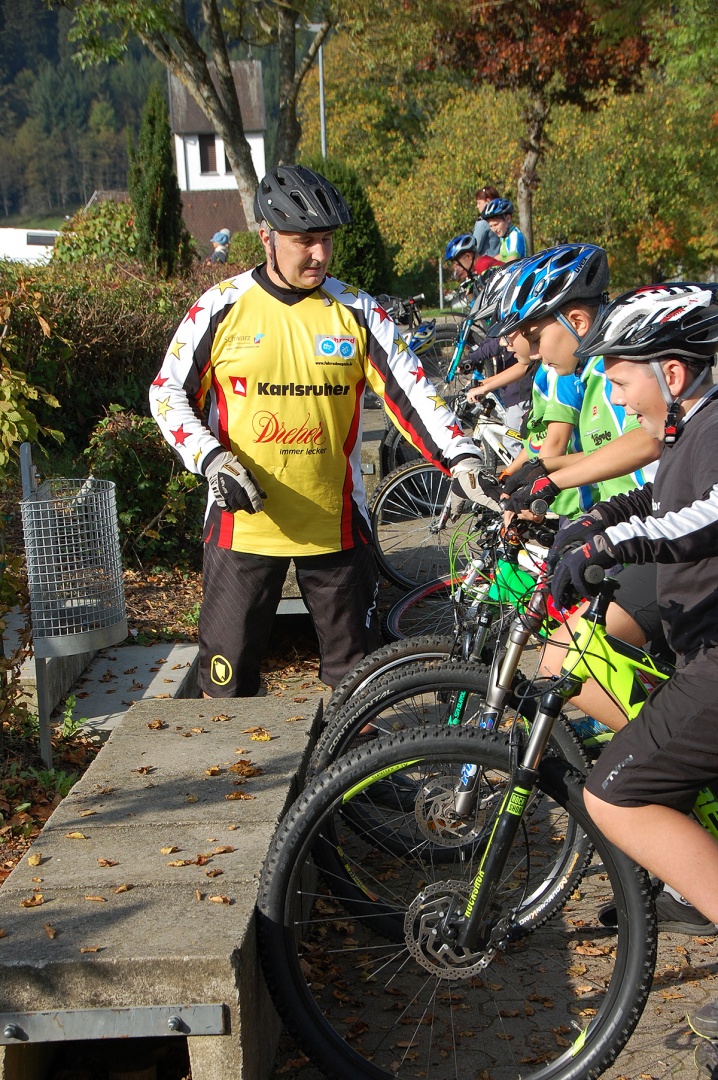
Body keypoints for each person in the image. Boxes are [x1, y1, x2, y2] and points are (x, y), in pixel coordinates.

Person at [149, 165, 483, 699]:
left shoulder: (358, 311)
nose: (319, 255)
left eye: (326, 240)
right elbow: (167, 393)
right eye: (303, 241)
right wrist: (211, 458)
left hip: (336, 527)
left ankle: (360, 758)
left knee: (356, 687)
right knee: (224, 689)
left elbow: (415, 395)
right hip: (243, 526)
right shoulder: (221, 306)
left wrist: (460, 456)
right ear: (266, 236)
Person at [545, 283, 718, 956]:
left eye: (620, 383)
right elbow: (660, 495)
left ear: (671, 375)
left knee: (617, 794)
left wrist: (610, 545)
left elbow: (707, 514)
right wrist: (595, 519)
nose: (615, 401)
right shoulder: (687, 426)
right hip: (699, 647)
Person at [481, 198, 527, 263]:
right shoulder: (505, 237)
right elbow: (502, 256)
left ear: (508, 218)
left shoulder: (515, 236)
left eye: (496, 224)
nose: (494, 230)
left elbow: (512, 262)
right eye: (491, 226)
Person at [472, 184, 502, 258]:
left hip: (487, 262)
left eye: (479, 203)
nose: (477, 206)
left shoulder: (483, 222)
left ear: (488, 201)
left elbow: (474, 248)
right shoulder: (502, 220)